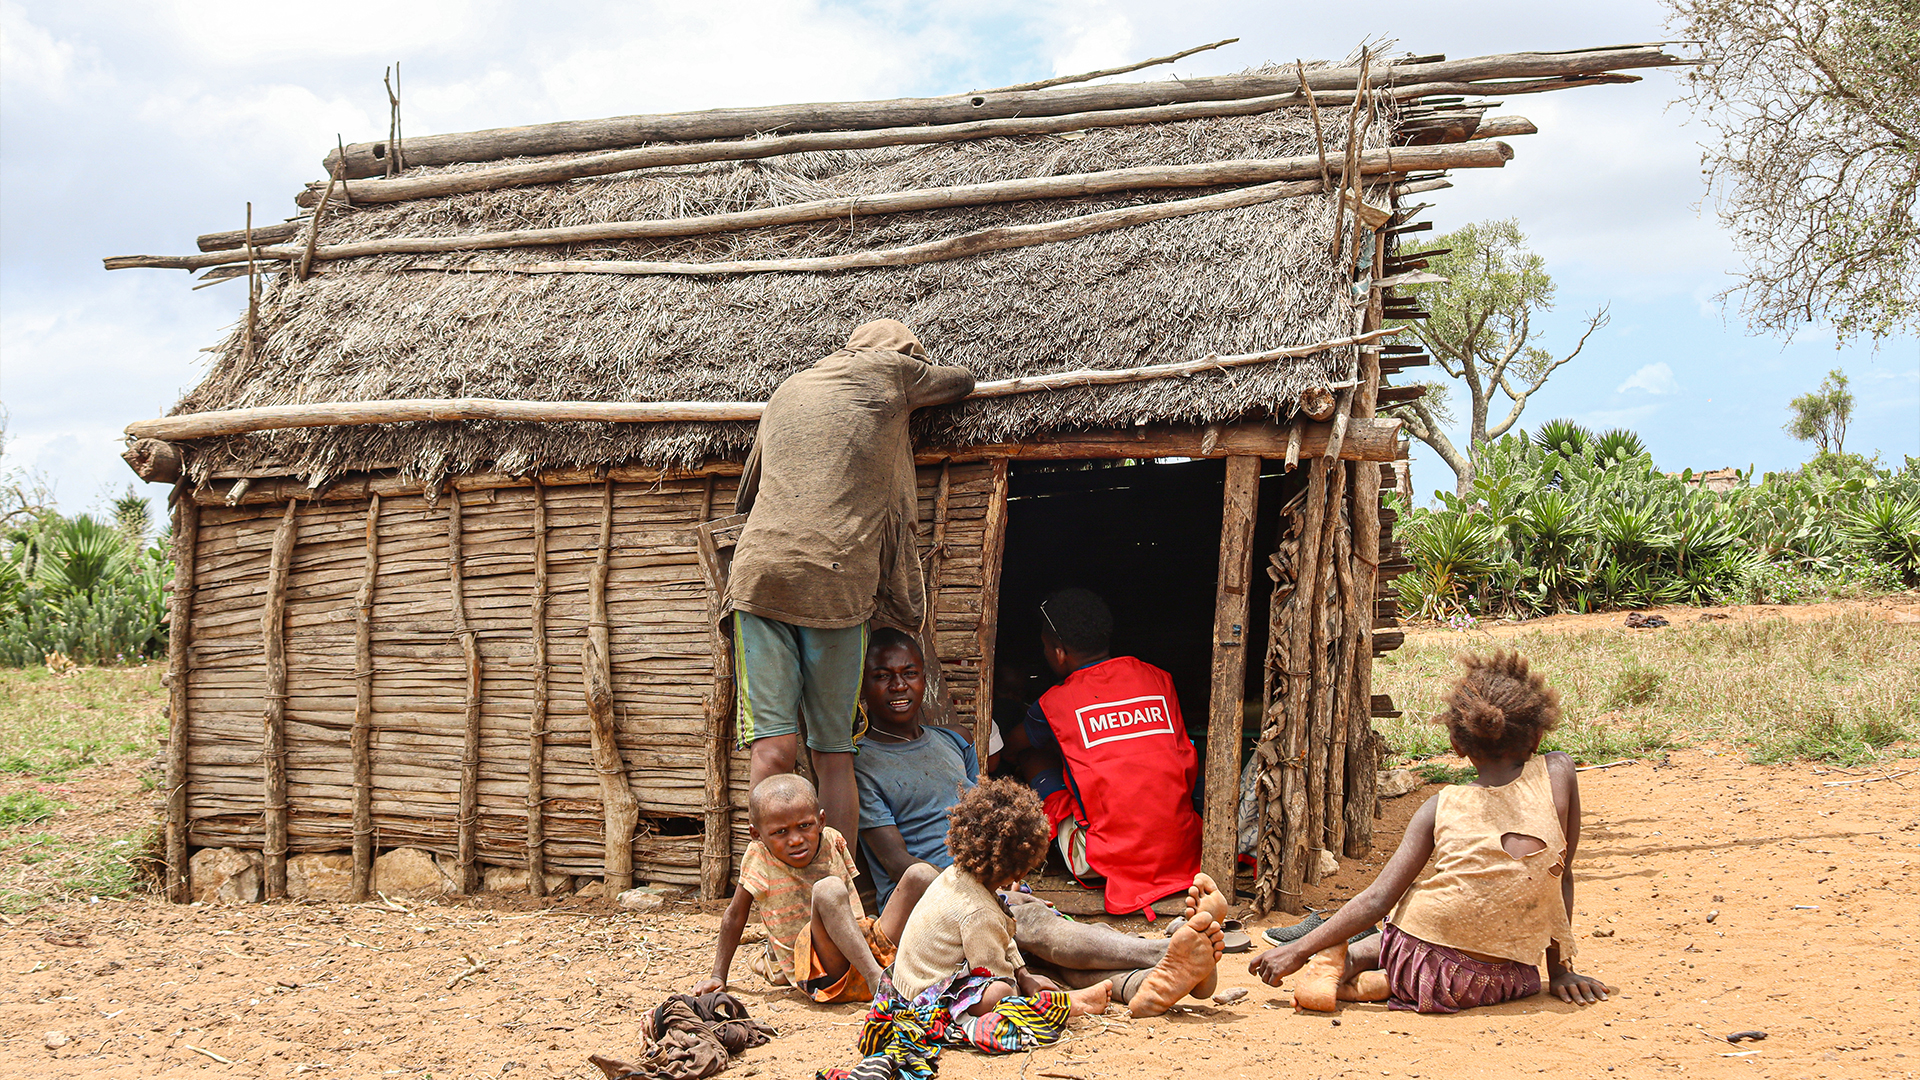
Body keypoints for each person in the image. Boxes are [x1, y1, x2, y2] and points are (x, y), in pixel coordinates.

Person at [853, 628, 1227, 1016]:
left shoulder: (953, 741)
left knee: (1040, 959)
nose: (898, 685)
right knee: (1030, 921)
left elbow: (982, 820)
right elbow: (897, 863)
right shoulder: (864, 761)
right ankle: (1166, 951)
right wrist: (985, 881)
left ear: (924, 677)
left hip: (984, 881)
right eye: (882, 676)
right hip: (935, 903)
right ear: (863, 686)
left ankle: (1148, 984)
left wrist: (999, 871)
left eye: (909, 673)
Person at [1247, 650, 1612, 1014]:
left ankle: (1356, 961)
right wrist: (1561, 972)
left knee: (1414, 930)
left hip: (1422, 956)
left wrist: (1297, 951)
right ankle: (1378, 977)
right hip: (1498, 979)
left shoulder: (1439, 806)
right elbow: (1561, 876)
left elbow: (1377, 901)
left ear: (1456, 745)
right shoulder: (1559, 774)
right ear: (1537, 737)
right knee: (1517, 970)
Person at [722, 319, 975, 843]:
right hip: (834, 580)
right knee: (833, 752)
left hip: (758, 574)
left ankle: (770, 881)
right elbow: (961, 382)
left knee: (772, 748)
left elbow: (748, 491)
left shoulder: (788, 389)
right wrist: (913, 374)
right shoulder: (890, 371)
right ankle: (838, 879)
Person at [891, 779, 1226, 1021]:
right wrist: (1022, 978)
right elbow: (993, 974)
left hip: (972, 960)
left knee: (1050, 950)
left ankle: (1156, 972)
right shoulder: (976, 910)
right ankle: (1168, 958)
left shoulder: (962, 880)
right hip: (959, 979)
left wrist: (1023, 974)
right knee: (1040, 970)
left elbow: (1001, 947)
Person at [1015, 587, 1203, 916]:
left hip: (1100, 860)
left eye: (1045, 648)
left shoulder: (1053, 703)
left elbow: (1012, 743)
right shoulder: (1158, 679)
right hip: (1183, 849)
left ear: (1059, 653)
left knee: (1032, 757)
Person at [696, 774, 936, 1005]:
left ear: (821, 821)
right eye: (780, 832)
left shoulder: (832, 840)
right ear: (756, 834)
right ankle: (878, 983)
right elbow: (735, 915)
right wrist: (718, 976)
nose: (796, 839)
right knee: (829, 888)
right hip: (822, 971)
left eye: (805, 826)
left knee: (921, 874)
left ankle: (938, 964)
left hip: (867, 952)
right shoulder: (759, 857)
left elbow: (851, 907)